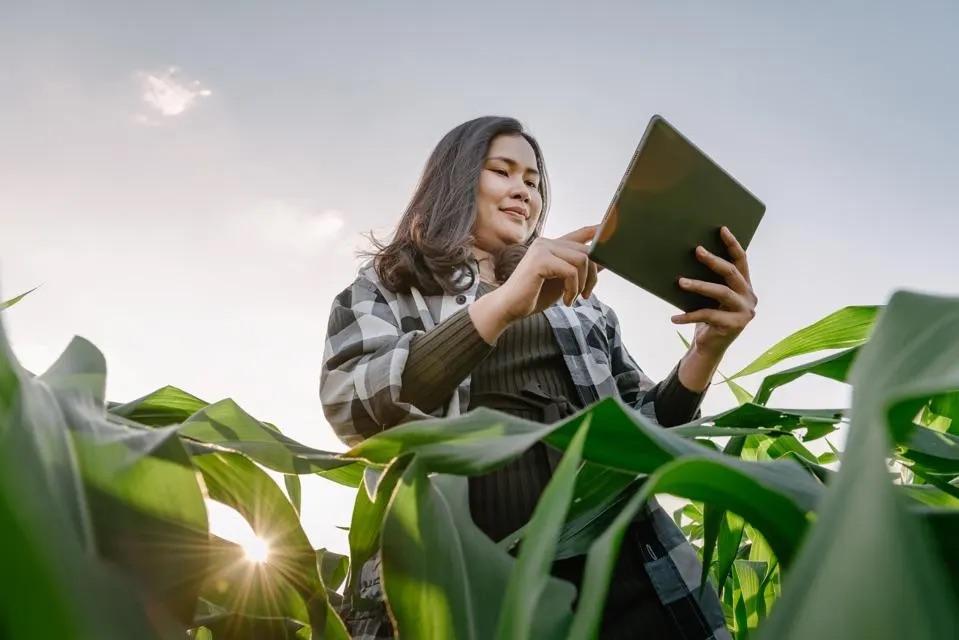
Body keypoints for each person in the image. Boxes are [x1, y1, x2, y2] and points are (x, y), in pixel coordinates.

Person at [320, 116, 758, 639]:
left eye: (532, 181)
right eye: (502, 171)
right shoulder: (388, 286)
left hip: (620, 568)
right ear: (456, 180)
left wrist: (707, 351)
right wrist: (503, 304)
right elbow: (354, 409)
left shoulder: (584, 307)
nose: (522, 191)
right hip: (462, 584)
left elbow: (645, 431)